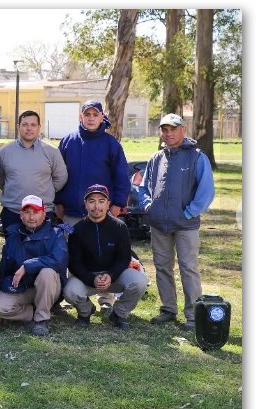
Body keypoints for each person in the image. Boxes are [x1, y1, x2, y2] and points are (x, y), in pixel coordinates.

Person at [139, 113, 215, 331]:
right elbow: (144, 188)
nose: (168, 133)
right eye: (165, 129)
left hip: (185, 225)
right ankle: (168, 309)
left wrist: (189, 213)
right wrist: (149, 206)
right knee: (162, 267)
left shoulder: (197, 157)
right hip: (159, 224)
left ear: (183, 130)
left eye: (173, 129)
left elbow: (206, 191)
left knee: (188, 268)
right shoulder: (156, 158)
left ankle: (193, 315)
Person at [56, 100, 131, 315]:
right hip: (72, 212)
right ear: (81, 117)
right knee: (73, 253)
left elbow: (121, 176)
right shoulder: (68, 141)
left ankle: (105, 298)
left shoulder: (111, 144)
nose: (90, 118)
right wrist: (59, 201)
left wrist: (117, 204)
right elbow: (58, 175)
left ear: (101, 117)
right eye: (87, 114)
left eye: (94, 115)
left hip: (102, 213)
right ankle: (76, 296)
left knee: (104, 252)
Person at [63, 184, 149, 330]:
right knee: (69, 291)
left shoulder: (120, 227)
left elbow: (124, 259)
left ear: (108, 204)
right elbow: (74, 263)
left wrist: (111, 275)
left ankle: (119, 313)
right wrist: (91, 279)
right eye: (92, 201)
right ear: (85, 204)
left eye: (101, 201)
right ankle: (85, 312)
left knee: (139, 281)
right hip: (88, 278)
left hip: (114, 277)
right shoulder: (77, 229)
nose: (97, 206)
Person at [0, 195, 68, 336]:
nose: (31, 217)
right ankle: (32, 313)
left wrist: (28, 265)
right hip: (23, 287)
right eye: (27, 212)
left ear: (44, 213)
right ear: (21, 215)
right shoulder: (13, 235)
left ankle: (41, 320)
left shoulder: (56, 233)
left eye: (36, 212)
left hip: (49, 287)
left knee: (47, 272)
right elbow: (4, 268)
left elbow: (59, 259)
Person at [0, 110, 67, 230]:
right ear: (18, 127)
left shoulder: (52, 152)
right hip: (13, 213)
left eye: (33, 125)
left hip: (43, 213)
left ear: (39, 127)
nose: (29, 128)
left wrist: (46, 190)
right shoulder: (5, 151)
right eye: (25, 124)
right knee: (13, 242)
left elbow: (60, 178)